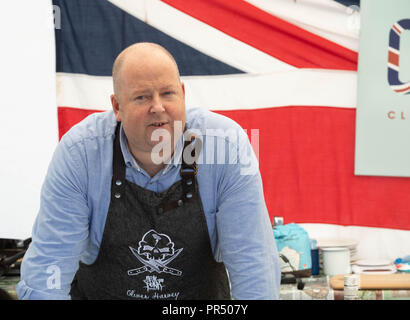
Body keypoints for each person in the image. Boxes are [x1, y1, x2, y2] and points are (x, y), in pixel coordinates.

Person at [16, 42, 281, 300]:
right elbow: (48, 270)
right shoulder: (81, 154)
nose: (158, 107)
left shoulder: (224, 147)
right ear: (117, 107)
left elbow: (254, 266)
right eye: (142, 97)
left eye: (167, 93)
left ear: (183, 94)